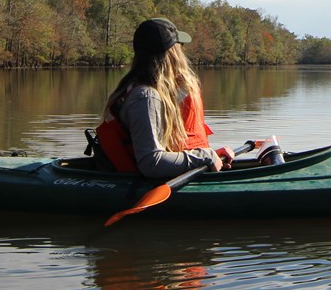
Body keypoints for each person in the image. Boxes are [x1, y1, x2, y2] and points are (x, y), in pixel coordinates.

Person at [96, 18, 234, 177]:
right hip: (136, 185)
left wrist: (210, 154)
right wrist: (204, 157)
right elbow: (151, 163)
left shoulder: (150, 93)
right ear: (172, 53)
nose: (182, 51)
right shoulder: (146, 97)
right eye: (180, 46)